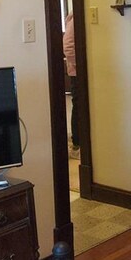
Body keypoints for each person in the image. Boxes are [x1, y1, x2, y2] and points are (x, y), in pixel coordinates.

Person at [62, 12, 79, 158]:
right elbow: (67, 47)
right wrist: (80, 66)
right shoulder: (74, 20)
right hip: (77, 73)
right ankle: (76, 145)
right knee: (79, 106)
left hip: (78, 71)